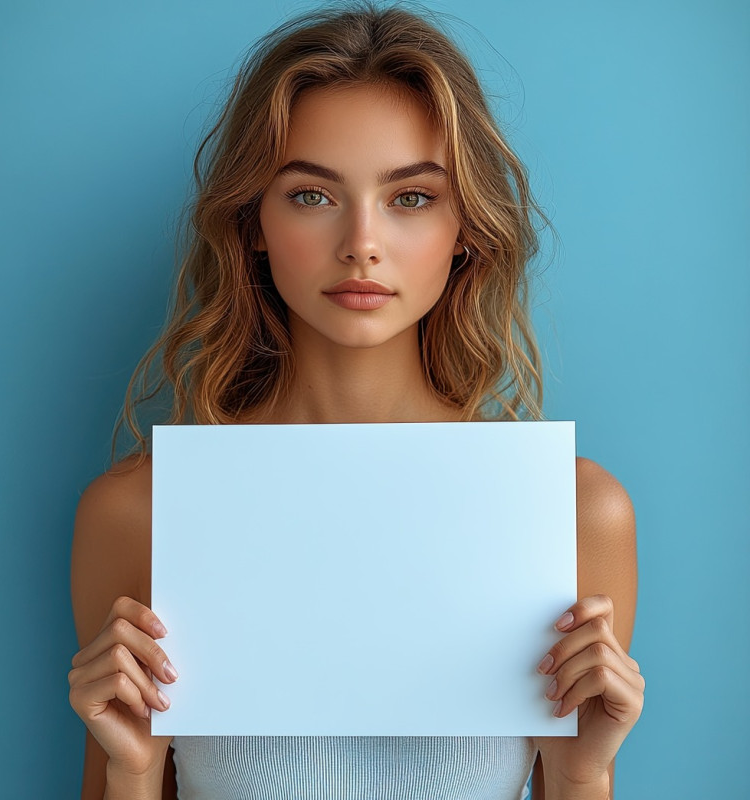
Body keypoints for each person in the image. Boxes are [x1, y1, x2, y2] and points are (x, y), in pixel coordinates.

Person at [68, 3, 644, 798]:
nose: (362, 243)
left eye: (410, 197)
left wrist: (586, 773)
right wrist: (132, 770)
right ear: (254, 223)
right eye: (312, 194)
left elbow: (577, 774)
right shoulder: (139, 512)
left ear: (466, 227)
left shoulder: (575, 513)